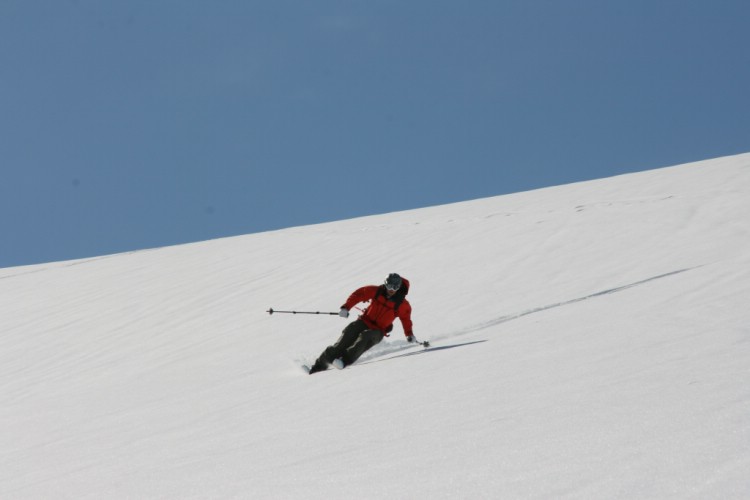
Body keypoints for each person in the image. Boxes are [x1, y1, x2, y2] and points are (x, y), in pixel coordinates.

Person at [308, 273, 415, 374]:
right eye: (389, 286)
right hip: (364, 321)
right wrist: (346, 307)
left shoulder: (402, 305)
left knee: (365, 336)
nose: (391, 290)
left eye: (395, 287)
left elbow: (406, 319)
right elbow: (359, 294)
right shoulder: (377, 291)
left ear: (399, 287)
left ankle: (344, 360)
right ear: (385, 283)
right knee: (346, 337)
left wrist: (409, 334)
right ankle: (317, 367)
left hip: (378, 330)